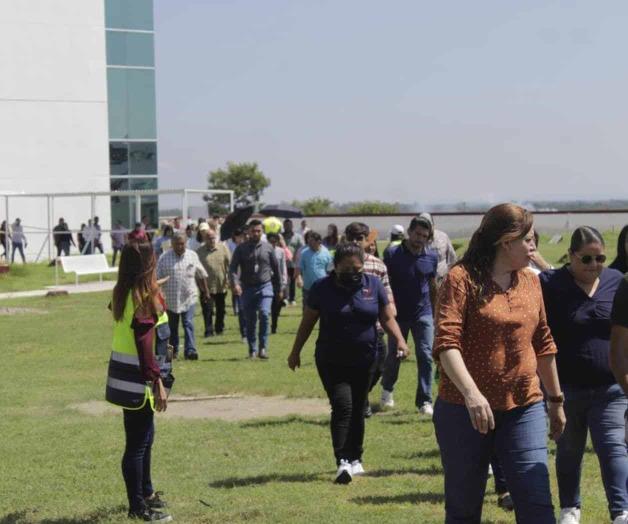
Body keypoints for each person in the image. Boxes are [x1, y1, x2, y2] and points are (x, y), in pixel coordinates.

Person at [433, 203, 565, 524]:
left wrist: (556, 399)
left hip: (524, 406)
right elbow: (446, 343)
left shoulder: (531, 282)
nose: (534, 247)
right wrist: (471, 394)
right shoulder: (460, 279)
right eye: (529, 240)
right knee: (464, 510)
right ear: (506, 242)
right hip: (463, 411)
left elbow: (543, 342)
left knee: (537, 506)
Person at [288, 243, 410, 483]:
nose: (352, 272)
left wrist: (401, 341)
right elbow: (307, 323)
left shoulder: (373, 285)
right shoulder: (322, 288)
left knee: (357, 407)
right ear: (335, 266)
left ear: (363, 265)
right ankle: (342, 461)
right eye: (346, 268)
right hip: (331, 359)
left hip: (366, 358)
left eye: (357, 267)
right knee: (343, 405)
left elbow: (386, 317)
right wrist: (295, 352)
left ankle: (356, 457)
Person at [540, 227, 628, 524]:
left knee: (612, 446)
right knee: (568, 449)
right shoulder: (551, 284)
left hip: (610, 387)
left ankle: (621, 511)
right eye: (586, 259)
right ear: (571, 256)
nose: (594, 265)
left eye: (600, 258)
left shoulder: (616, 281)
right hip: (566, 388)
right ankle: (570, 508)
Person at [105, 240, 172, 522]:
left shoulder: (124, 292)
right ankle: (137, 507)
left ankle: (146, 492)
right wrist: (158, 385)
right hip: (139, 383)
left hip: (124, 379)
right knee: (137, 445)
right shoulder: (144, 299)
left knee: (145, 438)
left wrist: (153, 287)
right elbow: (145, 348)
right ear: (147, 266)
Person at [381, 215, 438, 415]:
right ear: (409, 232)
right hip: (397, 315)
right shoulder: (392, 253)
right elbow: (383, 285)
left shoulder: (431, 256)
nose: (420, 239)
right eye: (417, 234)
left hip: (423, 313)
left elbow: (432, 285)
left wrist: (436, 311)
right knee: (395, 356)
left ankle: (424, 401)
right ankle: (387, 389)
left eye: (424, 236)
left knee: (426, 356)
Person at [344, 222, 396, 418]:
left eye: (360, 238)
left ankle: (360, 395)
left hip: (375, 327)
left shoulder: (377, 264)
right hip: (350, 328)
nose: (356, 242)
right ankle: (361, 403)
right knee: (358, 367)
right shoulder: (341, 264)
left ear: (367, 241)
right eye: (352, 238)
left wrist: (391, 314)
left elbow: (387, 292)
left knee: (379, 366)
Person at [229, 220, 282, 359]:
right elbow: (233, 268)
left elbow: (276, 269)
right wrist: (235, 284)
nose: (256, 233)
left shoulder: (268, 248)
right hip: (247, 288)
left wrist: (280, 288)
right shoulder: (241, 248)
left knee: (264, 314)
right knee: (250, 320)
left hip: (265, 286)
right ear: (248, 232)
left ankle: (263, 348)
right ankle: (252, 349)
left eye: (258, 231)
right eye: (253, 231)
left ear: (262, 231)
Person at [157, 233, 209, 360]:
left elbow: (201, 275)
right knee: (171, 329)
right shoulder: (164, 258)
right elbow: (157, 279)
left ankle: (190, 351)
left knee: (188, 323)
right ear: (172, 244)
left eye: (182, 244)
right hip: (170, 300)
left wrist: (205, 292)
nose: (180, 246)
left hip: (188, 297)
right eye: (177, 244)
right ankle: (171, 353)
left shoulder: (192, 256)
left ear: (186, 243)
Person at [196, 227, 231, 337]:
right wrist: (200, 285)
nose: (211, 240)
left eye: (213, 238)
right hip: (206, 287)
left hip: (221, 286)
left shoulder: (223, 249)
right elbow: (196, 270)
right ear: (204, 239)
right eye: (208, 238)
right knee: (207, 310)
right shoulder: (199, 252)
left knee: (221, 310)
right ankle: (209, 331)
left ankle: (219, 328)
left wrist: (230, 279)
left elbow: (230, 264)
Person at [296, 231, 333, 308]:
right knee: (307, 308)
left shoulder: (326, 253)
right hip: (308, 287)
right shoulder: (304, 253)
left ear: (319, 241)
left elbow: (330, 269)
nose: (308, 244)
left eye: (311, 241)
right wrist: (299, 278)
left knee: (323, 308)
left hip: (323, 286)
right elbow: (299, 267)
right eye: (308, 241)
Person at [419, 212, 457, 283]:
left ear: (433, 225)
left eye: (428, 225)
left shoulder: (443, 237)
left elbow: (453, 260)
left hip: (442, 282)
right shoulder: (416, 241)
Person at [267, 233, 288, 334]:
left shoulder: (281, 252)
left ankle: (274, 325)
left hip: (277, 281)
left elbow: (283, 266)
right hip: (267, 280)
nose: (273, 243)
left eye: (275, 241)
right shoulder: (265, 250)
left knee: (277, 305)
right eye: (271, 241)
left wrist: (284, 281)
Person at [283, 219, 304, 306]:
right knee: (285, 280)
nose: (288, 227)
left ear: (292, 226)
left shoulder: (298, 236)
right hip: (283, 262)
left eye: (289, 225)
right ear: (284, 226)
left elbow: (301, 247)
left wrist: (296, 255)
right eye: (286, 225)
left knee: (292, 280)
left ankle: (292, 298)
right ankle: (285, 298)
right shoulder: (281, 236)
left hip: (294, 262)